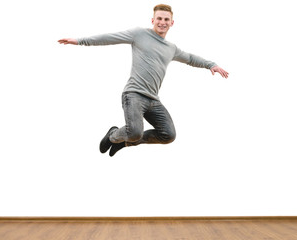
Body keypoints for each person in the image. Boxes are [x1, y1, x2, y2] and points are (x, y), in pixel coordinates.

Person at [58, 4, 229, 157]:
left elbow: (190, 58)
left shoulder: (171, 48)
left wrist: (210, 65)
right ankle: (113, 135)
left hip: (153, 100)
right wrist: (80, 41)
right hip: (133, 95)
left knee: (168, 135)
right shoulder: (139, 34)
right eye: (159, 18)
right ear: (153, 20)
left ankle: (125, 142)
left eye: (166, 19)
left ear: (172, 23)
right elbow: (109, 37)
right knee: (134, 132)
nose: (162, 22)